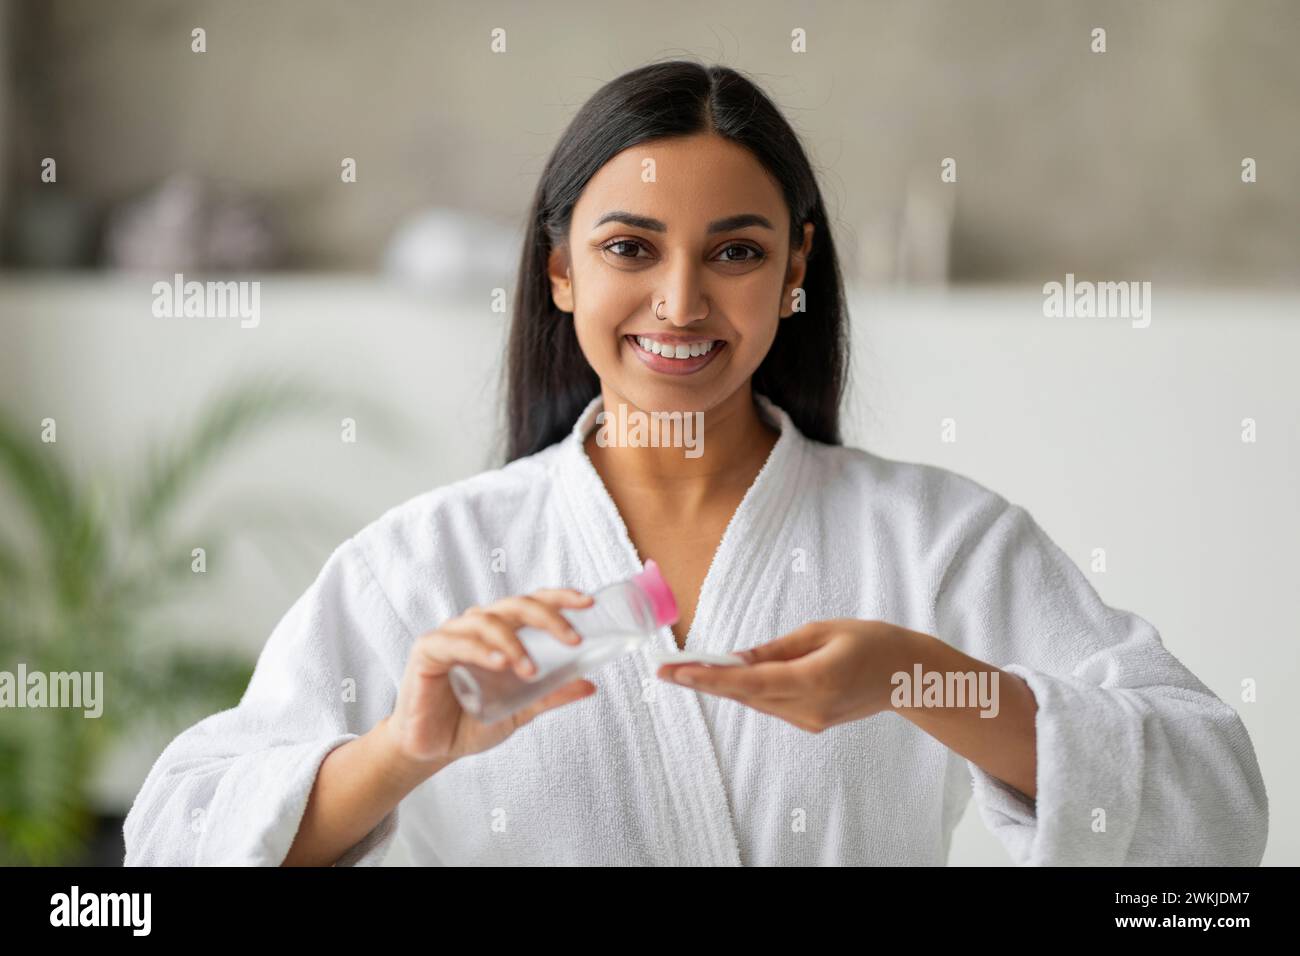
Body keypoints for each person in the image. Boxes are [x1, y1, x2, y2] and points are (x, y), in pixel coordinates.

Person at [123, 60, 1268, 867]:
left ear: (795, 268)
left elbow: (1214, 811)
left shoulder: (939, 543)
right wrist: (397, 752)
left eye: (735, 251)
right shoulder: (419, 568)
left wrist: (920, 678)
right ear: (561, 266)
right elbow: (171, 841)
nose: (681, 302)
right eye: (630, 248)